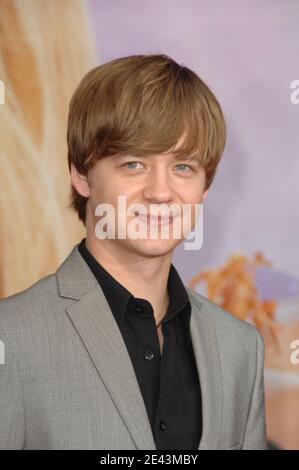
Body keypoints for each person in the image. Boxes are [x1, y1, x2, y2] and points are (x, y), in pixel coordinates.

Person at [0, 54, 267, 450]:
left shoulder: (240, 348)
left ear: (205, 186)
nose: (160, 193)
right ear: (81, 173)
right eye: (133, 164)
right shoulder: (13, 339)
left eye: (183, 167)